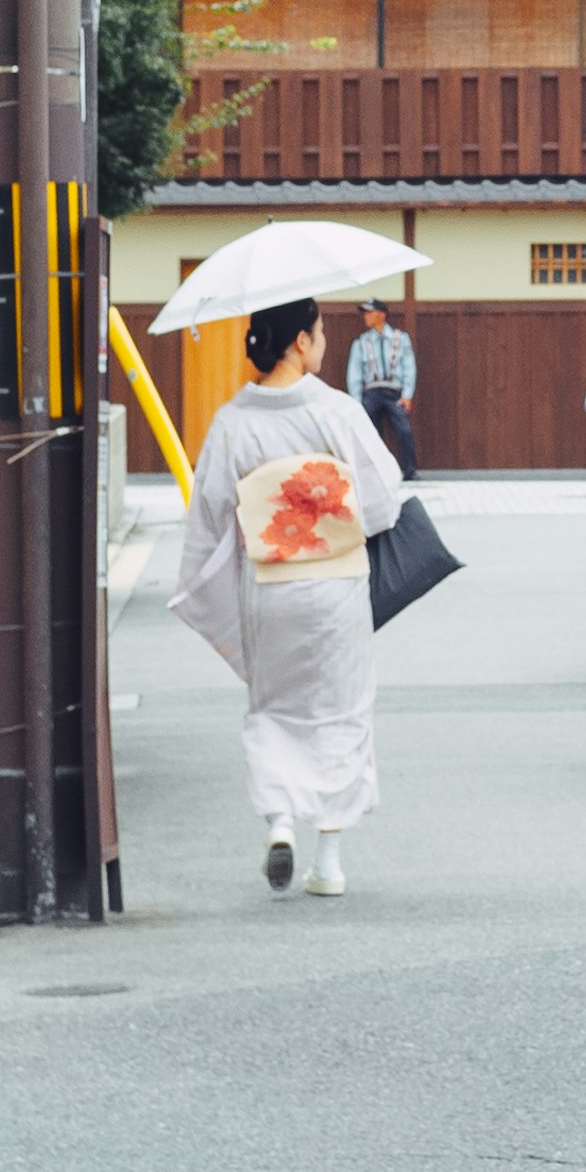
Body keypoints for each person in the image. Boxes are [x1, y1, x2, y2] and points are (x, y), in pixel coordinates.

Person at [169, 295, 405, 896]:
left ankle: (280, 822)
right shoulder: (337, 411)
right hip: (334, 588)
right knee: (342, 710)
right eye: (321, 332)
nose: (323, 343)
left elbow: (211, 515)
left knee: (274, 709)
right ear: (301, 341)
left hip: (269, 587)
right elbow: (381, 502)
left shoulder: (232, 420)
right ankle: (328, 861)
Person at [348, 299, 420, 482]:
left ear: (381, 315)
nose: (365, 317)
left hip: (393, 392)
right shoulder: (361, 342)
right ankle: (373, 473)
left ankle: (409, 470)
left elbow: (409, 367)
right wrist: (356, 401)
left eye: (369, 313)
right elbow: (354, 373)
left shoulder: (400, 338)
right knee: (369, 432)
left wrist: (407, 395)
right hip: (371, 392)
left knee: (403, 429)